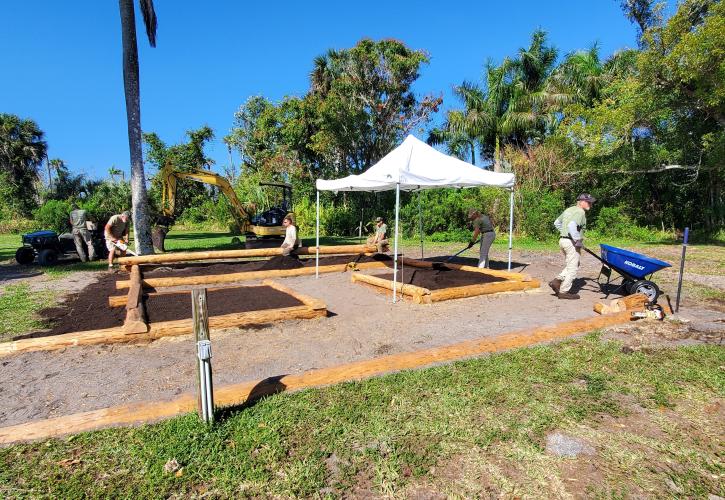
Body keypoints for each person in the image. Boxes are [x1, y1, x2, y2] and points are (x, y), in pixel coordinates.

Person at [549, 193, 596, 299]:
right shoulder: (580, 212)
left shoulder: (569, 210)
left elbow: (556, 222)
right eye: (588, 202)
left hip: (563, 240)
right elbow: (571, 225)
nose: (590, 204)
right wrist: (576, 239)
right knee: (573, 267)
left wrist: (564, 233)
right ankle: (564, 292)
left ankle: (557, 281)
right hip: (571, 242)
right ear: (581, 201)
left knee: (573, 263)